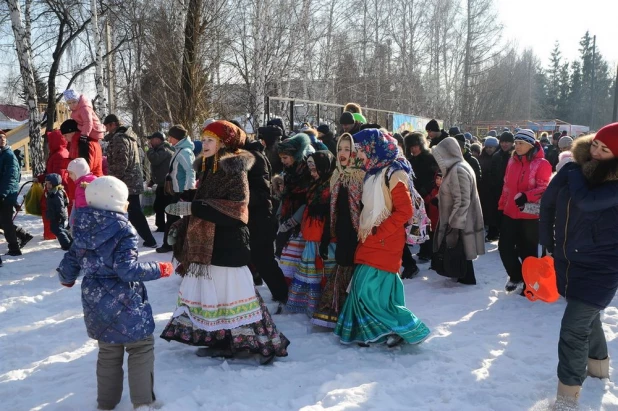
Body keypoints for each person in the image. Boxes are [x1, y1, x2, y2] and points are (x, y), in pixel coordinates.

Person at [160, 120, 290, 364]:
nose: (204, 144)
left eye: (210, 140)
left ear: (224, 143)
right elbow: (207, 203)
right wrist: (184, 221)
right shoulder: (210, 167)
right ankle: (221, 340)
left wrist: (194, 207)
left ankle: (242, 343)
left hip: (229, 245)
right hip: (214, 245)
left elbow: (237, 209)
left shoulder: (234, 168)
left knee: (231, 298)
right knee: (217, 298)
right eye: (204, 139)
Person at [57, 176, 173, 410]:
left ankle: (106, 404)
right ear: (116, 203)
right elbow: (127, 269)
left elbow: (70, 260)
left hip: (95, 302)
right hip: (125, 300)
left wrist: (67, 278)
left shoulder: (80, 226)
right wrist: (159, 268)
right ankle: (142, 402)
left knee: (108, 351)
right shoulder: (123, 230)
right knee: (140, 347)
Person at [539, 123, 618, 409]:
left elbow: (587, 202)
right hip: (569, 260)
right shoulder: (577, 168)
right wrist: (545, 238)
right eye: (595, 144)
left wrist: (571, 172)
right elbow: (549, 201)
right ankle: (598, 368)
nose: (595, 151)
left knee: (573, 328)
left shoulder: (605, 179)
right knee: (588, 317)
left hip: (602, 267)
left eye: (605, 149)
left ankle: (566, 398)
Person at [334, 129, 430, 347]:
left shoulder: (394, 173)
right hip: (371, 237)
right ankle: (380, 330)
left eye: (360, 151)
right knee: (369, 289)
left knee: (366, 288)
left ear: (372, 148)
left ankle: (403, 327)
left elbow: (404, 212)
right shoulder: (374, 170)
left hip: (385, 239)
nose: (358, 155)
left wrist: (380, 232)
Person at [311, 133, 364, 328]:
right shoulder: (337, 175)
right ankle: (340, 312)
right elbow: (332, 210)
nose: (342, 153)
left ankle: (354, 315)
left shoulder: (361, 175)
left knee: (352, 269)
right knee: (343, 266)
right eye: (340, 149)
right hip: (342, 231)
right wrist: (327, 236)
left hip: (358, 233)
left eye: (347, 149)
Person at [498, 129, 551, 294]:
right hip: (510, 212)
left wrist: (527, 196)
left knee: (528, 250)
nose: (517, 146)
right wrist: (502, 205)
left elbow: (544, 188)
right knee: (504, 247)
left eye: (521, 143)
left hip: (530, 214)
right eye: (516, 143)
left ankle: (531, 283)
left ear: (530, 144)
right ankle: (516, 275)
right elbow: (506, 185)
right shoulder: (512, 161)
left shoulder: (542, 164)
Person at [287, 151, 336, 315]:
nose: (313, 174)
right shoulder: (315, 184)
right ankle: (311, 304)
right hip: (312, 234)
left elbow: (332, 213)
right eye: (311, 170)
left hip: (326, 237)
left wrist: (325, 237)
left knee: (323, 271)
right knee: (311, 271)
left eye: (316, 170)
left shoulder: (332, 184)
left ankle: (324, 305)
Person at [432, 137, 485, 285]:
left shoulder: (458, 170)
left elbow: (462, 200)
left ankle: (465, 277)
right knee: (462, 250)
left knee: (460, 248)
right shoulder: (460, 167)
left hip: (460, 220)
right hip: (462, 219)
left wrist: (454, 224)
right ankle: (463, 275)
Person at [244, 135, 289, 307]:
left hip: (260, 218)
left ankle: (282, 295)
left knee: (264, 260)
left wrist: (239, 197)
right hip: (248, 218)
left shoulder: (254, 157)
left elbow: (263, 193)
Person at [276, 133, 315, 283]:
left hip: (302, 224)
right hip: (289, 219)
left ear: (295, 155)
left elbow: (308, 200)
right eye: (281, 158)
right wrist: (280, 214)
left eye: (285, 158)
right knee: (287, 260)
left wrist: (292, 221)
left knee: (296, 261)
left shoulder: (306, 172)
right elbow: (287, 195)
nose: (282, 161)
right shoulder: (290, 172)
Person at [157, 124, 196, 253]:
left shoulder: (184, 151)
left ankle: (169, 245)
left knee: (173, 216)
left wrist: (187, 190)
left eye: (171, 137)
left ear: (177, 138)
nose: (169, 139)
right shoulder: (180, 149)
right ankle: (176, 243)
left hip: (181, 191)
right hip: (178, 189)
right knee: (174, 216)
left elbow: (191, 171)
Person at [404, 131, 438, 262]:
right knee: (419, 222)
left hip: (428, 195)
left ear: (421, 144)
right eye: (411, 146)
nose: (413, 148)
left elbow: (435, 177)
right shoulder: (410, 160)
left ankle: (428, 250)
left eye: (415, 145)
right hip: (415, 195)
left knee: (427, 223)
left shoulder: (430, 158)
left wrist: (426, 190)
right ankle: (423, 248)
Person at [36, 130, 72, 240]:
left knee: (50, 212)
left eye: (50, 140)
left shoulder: (58, 155)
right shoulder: (61, 152)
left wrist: (45, 180)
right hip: (57, 188)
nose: (48, 143)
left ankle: (51, 234)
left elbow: (57, 175)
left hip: (54, 190)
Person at [486, 131, 515, 241]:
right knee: (498, 215)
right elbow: (492, 172)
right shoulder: (496, 156)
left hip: (511, 191)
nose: (504, 144)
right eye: (502, 142)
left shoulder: (515, 156)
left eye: (507, 142)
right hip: (498, 190)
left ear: (512, 143)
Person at [146, 132, 173, 233]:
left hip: (167, 185)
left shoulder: (164, 149)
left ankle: (173, 225)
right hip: (162, 184)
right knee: (159, 206)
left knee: (167, 207)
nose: (150, 142)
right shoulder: (159, 149)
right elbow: (158, 168)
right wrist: (152, 181)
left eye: (151, 139)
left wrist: (150, 149)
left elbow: (155, 160)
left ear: (158, 139)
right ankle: (161, 226)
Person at [0, 131, 21, 258]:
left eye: (3, 137)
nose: (2, 139)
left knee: (6, 221)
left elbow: (11, 177)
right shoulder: (2, 154)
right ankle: (22, 235)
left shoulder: (8, 155)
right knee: (3, 221)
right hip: (4, 192)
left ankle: (14, 248)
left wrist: (3, 193)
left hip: (7, 194)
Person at [478, 137, 499, 238]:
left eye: (491, 147)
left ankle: (493, 232)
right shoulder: (481, 157)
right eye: (487, 147)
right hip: (484, 188)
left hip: (494, 189)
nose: (489, 149)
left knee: (493, 212)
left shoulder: (498, 157)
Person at [44, 173, 72, 250]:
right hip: (54, 215)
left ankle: (66, 244)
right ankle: (71, 240)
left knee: (57, 230)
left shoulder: (57, 193)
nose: (47, 186)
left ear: (54, 183)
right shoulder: (52, 192)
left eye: (49, 184)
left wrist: (60, 215)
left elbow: (60, 205)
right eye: (46, 184)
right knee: (59, 229)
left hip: (58, 215)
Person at [67, 158, 97, 225]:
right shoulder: (88, 182)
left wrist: (75, 222)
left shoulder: (82, 187)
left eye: (71, 173)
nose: (69, 176)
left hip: (84, 222)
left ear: (78, 173)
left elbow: (82, 206)